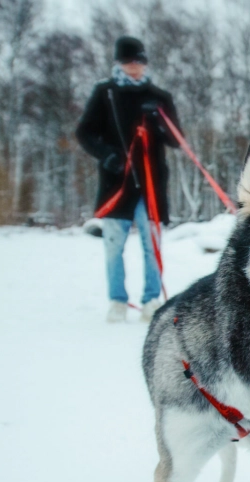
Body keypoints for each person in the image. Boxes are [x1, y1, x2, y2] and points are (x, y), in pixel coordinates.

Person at [76, 36, 182, 323]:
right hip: (116, 185)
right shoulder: (105, 93)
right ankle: (117, 301)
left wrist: (160, 120)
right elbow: (84, 132)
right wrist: (106, 154)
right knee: (114, 247)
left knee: (152, 246)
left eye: (139, 62)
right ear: (118, 64)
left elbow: (176, 140)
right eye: (128, 62)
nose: (134, 68)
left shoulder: (159, 96)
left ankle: (151, 301)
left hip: (151, 185)